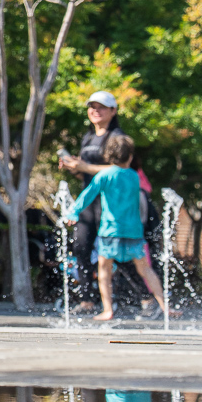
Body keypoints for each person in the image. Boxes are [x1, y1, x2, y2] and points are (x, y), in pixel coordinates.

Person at [71, 132, 167, 322]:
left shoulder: (104, 175)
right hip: (133, 233)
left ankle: (108, 310)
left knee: (104, 271)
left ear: (107, 156)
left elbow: (88, 195)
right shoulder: (133, 176)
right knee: (146, 270)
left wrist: (73, 212)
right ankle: (165, 306)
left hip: (110, 232)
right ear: (130, 157)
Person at [57, 89, 127, 311]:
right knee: (81, 246)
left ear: (113, 111)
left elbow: (120, 170)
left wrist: (84, 166)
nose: (95, 110)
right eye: (92, 106)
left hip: (110, 202)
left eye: (101, 107)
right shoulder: (88, 137)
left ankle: (144, 298)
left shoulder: (118, 137)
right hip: (89, 200)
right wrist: (73, 168)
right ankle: (87, 299)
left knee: (119, 249)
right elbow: (86, 175)